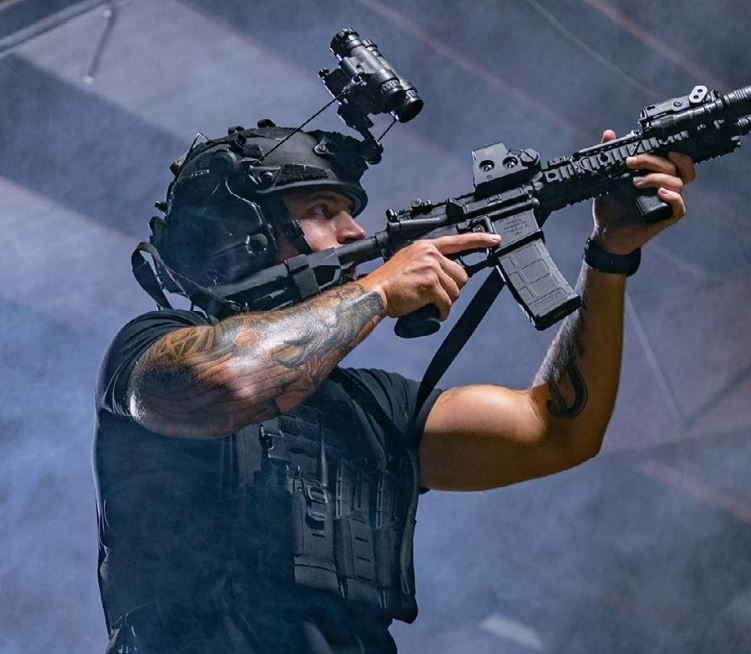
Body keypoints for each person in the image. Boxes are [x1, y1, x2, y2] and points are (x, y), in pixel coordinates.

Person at [93, 123, 694, 653]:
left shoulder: (375, 408)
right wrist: (380, 289)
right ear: (242, 234)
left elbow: (557, 431)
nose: (355, 231)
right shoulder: (154, 347)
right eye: (323, 211)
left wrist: (609, 256)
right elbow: (226, 380)